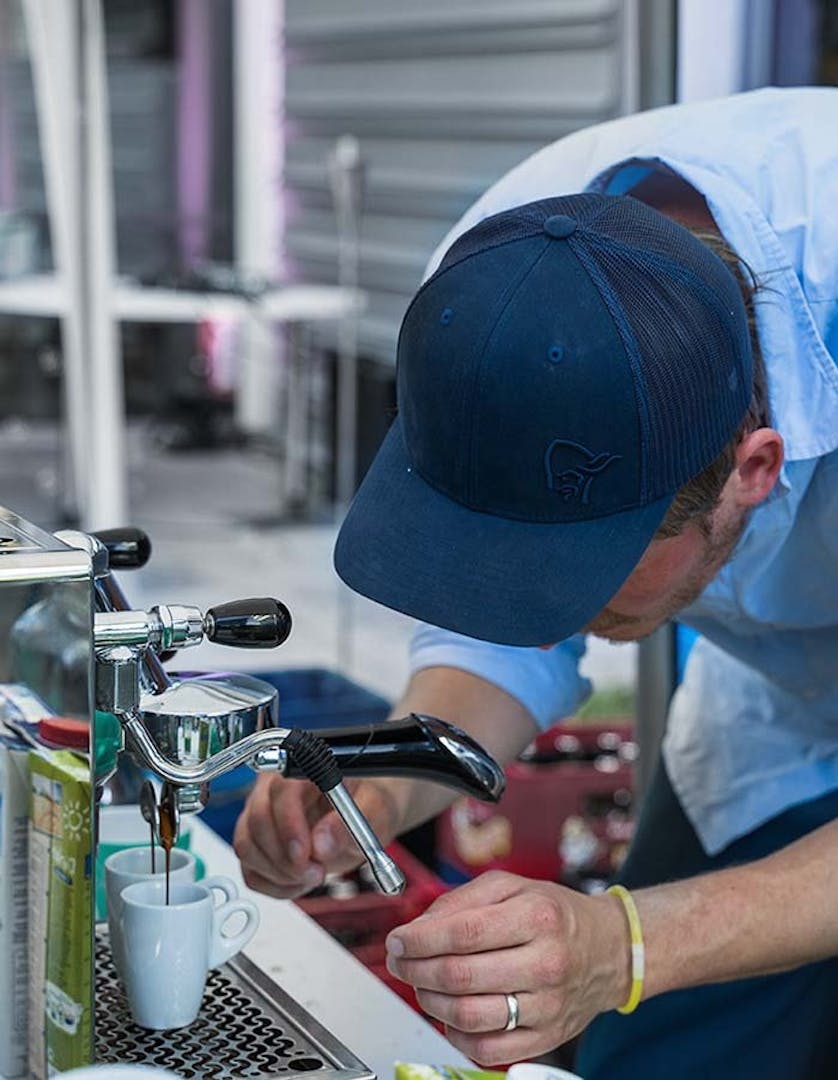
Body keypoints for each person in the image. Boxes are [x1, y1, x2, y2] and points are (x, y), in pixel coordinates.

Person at [234, 88, 838, 1079]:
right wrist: (383, 788)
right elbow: (500, 631)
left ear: (754, 470)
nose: (553, 607)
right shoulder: (509, 285)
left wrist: (628, 945)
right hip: (771, 715)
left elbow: (635, 946)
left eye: (586, 576)